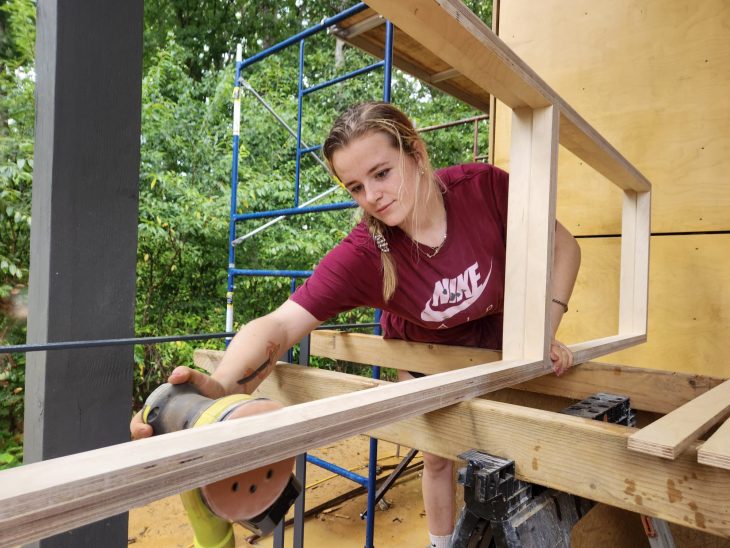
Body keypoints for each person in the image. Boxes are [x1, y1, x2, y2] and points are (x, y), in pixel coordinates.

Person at [131, 101, 581, 548]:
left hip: (499, 340)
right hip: (422, 354)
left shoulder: (484, 190)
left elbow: (564, 246)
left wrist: (545, 327)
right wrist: (225, 384)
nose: (372, 196)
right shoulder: (368, 252)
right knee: (438, 455)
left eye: (382, 173)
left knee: (513, 446)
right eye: (356, 187)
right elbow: (280, 325)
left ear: (416, 153)